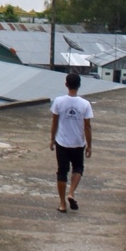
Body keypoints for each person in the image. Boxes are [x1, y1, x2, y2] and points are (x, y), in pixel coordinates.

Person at [50, 71, 94, 213]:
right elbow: (87, 126)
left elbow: (54, 122)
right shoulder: (85, 104)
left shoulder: (58, 101)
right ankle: (71, 192)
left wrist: (52, 139)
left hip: (62, 142)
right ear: (79, 85)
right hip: (78, 143)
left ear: (66, 84)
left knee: (62, 171)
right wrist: (89, 145)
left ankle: (62, 204)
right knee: (78, 168)